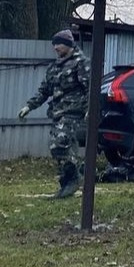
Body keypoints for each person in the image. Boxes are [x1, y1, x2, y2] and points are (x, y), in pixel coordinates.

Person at [18, 28, 91, 199]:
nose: (55, 47)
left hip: (74, 112)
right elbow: (44, 90)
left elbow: (90, 88)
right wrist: (29, 107)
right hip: (58, 113)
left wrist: (90, 109)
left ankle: (73, 179)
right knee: (58, 148)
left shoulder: (81, 63)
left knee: (60, 143)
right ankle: (67, 183)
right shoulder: (55, 67)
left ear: (68, 44)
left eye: (58, 44)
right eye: (54, 44)